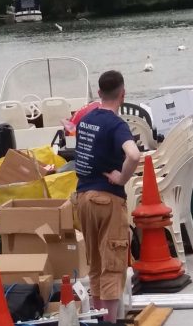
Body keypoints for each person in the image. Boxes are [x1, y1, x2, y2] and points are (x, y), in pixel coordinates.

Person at [73, 70, 140, 322]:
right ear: (123, 94)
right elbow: (133, 155)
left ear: (99, 94)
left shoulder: (85, 121)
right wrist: (121, 178)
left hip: (83, 199)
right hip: (107, 199)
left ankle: (99, 318)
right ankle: (110, 323)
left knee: (96, 264)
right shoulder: (116, 125)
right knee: (113, 265)